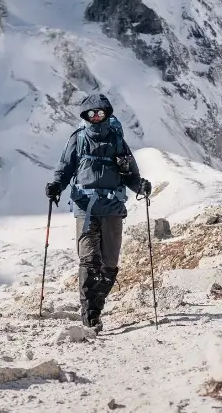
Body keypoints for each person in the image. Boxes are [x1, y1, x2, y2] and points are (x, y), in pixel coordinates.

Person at [45, 93, 151, 333]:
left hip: (112, 209)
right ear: (85, 116)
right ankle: (89, 316)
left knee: (109, 265)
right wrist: (55, 186)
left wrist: (141, 186)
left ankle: (97, 305)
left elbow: (131, 174)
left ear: (107, 114)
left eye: (100, 113)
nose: (95, 117)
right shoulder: (78, 140)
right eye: (91, 113)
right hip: (85, 209)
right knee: (89, 260)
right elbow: (64, 169)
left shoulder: (117, 141)